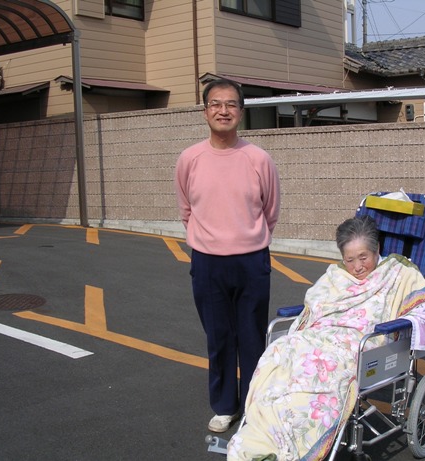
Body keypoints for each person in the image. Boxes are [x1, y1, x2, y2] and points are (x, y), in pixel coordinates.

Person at [227, 215, 425, 460]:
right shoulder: (336, 275)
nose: (357, 267)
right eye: (349, 260)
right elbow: (317, 304)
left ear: (377, 249)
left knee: (323, 368)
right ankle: (263, 434)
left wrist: (408, 322)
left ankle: (293, 441)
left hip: (361, 341)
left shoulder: (398, 274)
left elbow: (424, 313)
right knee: (281, 350)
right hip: (322, 333)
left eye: (363, 257)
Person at [174, 78, 281, 433]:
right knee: (218, 338)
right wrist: (207, 239)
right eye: (216, 104)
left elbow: (270, 210)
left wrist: (249, 238)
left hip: (252, 261)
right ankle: (223, 406)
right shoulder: (190, 159)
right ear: (205, 111)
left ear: (241, 111)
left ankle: (252, 406)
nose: (224, 110)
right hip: (207, 262)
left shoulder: (258, 159)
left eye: (231, 104)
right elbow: (186, 209)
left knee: (252, 337)